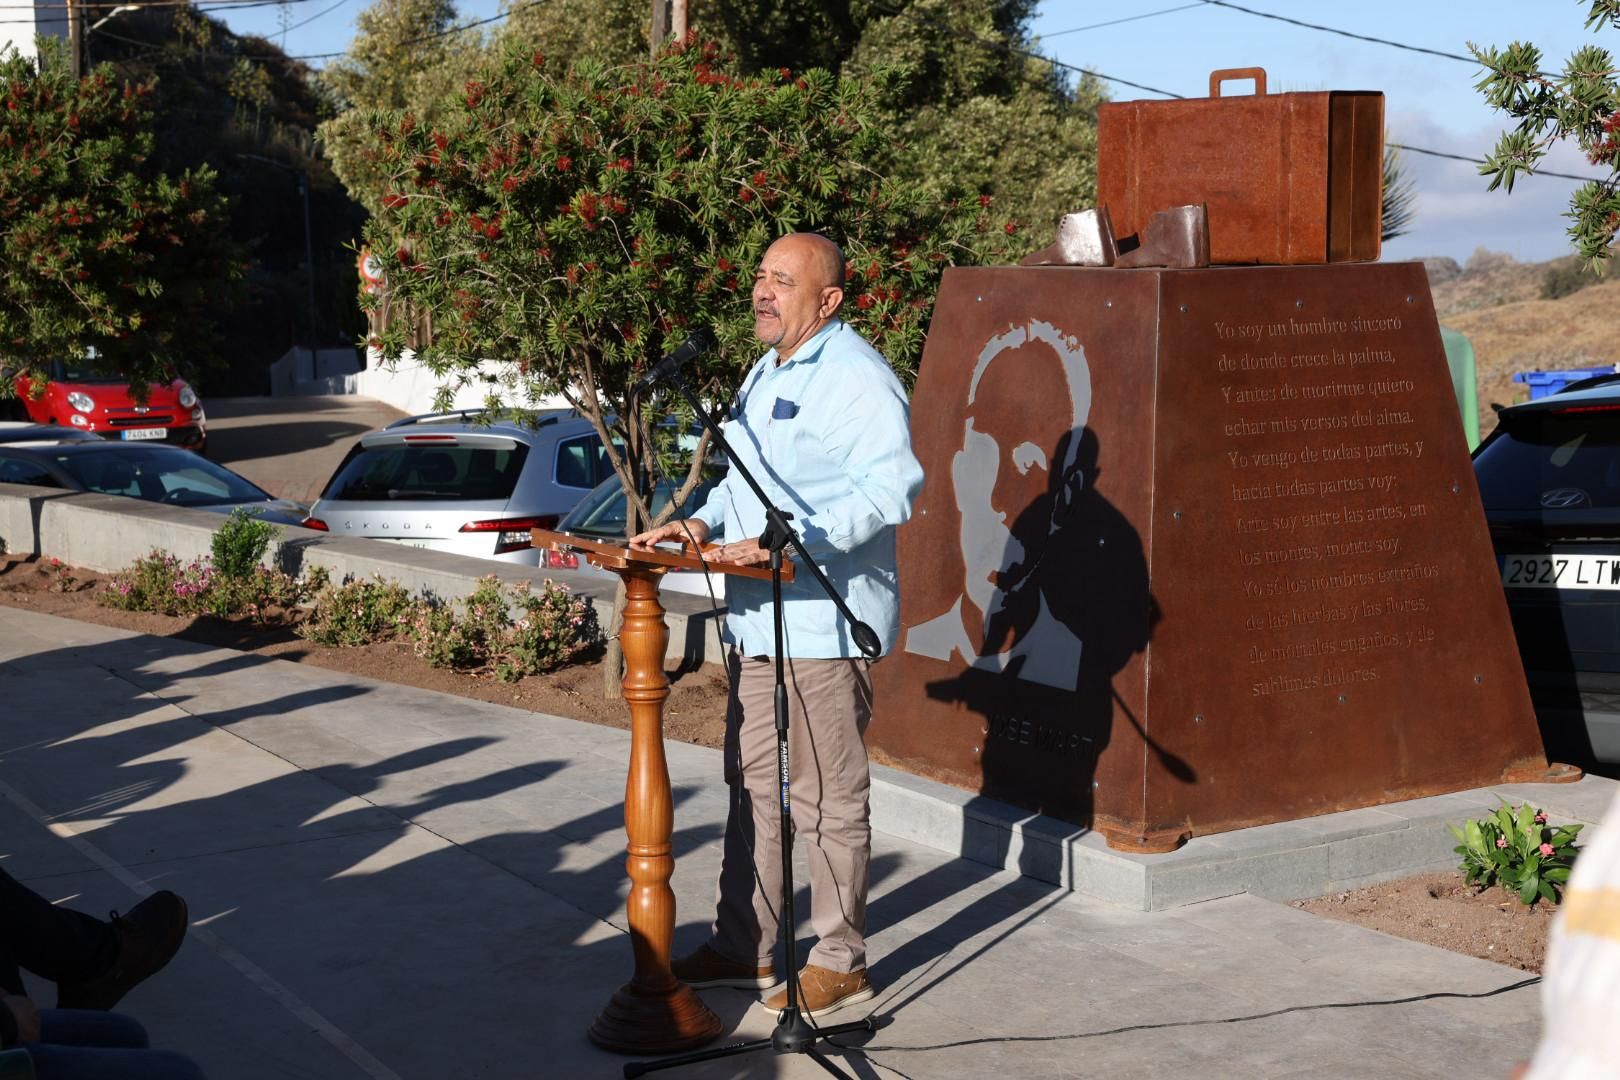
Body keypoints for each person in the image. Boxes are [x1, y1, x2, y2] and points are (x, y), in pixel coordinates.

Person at [631, 231, 924, 1018]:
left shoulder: (858, 379)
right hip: (760, 623)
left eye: (783, 280)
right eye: (760, 276)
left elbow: (890, 490)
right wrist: (694, 526)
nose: (763, 291)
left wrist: (795, 535)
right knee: (753, 786)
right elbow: (742, 487)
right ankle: (745, 945)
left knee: (830, 797)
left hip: (824, 626)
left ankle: (841, 956)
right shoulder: (768, 371)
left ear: (827, 301)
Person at [902, 319, 1091, 691]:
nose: (998, 499)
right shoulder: (921, 641)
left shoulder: (1069, 660)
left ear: (1065, 499)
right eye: (985, 452)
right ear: (957, 473)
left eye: (1029, 463)